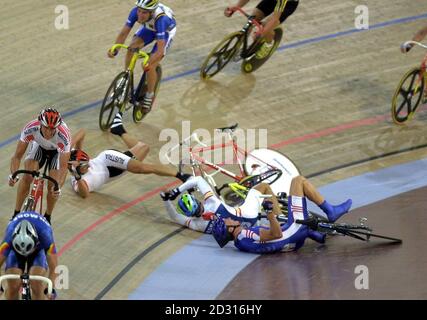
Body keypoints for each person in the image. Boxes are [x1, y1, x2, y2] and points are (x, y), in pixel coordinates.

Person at [210, 175, 352, 253]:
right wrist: (269, 212)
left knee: (269, 192)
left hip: (292, 241)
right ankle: (330, 211)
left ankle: (313, 234)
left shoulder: (240, 242)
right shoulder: (245, 235)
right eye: (226, 221)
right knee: (298, 181)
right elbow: (277, 234)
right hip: (292, 231)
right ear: (229, 229)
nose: (228, 218)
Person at [68, 113, 190, 198]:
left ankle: (181, 176)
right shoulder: (77, 180)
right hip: (111, 170)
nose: (88, 166)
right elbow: (84, 194)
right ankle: (119, 129)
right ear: (76, 170)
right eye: (85, 166)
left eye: (87, 163)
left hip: (107, 159)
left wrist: (70, 146)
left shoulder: (75, 157)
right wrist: (78, 176)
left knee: (142, 168)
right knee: (144, 148)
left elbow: (82, 132)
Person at [107, 0, 176, 115]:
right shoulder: (135, 12)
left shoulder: (161, 20)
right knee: (132, 47)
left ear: (151, 12)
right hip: (149, 28)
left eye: (144, 13)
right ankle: (126, 78)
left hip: (165, 32)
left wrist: (150, 62)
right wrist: (115, 49)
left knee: (150, 65)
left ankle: (149, 95)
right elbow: (124, 33)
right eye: (139, 11)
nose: (140, 15)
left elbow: (159, 51)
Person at [8, 107, 71, 223]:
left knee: (53, 186)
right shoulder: (30, 128)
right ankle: (16, 214)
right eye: (46, 128)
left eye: (53, 129)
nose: (49, 132)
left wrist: (58, 187)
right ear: (40, 124)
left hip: (57, 152)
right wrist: (13, 175)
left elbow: (63, 167)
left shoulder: (64, 136)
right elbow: (17, 156)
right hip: (39, 146)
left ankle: (48, 216)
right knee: (27, 177)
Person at [0, 212, 58, 300]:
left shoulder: (46, 235)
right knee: (13, 286)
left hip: (38, 250)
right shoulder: (8, 239)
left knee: (36, 284)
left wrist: (50, 288)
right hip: (15, 252)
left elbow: (54, 268)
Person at [224, 0, 299, 59]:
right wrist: (236, 7)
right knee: (251, 21)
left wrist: (263, 32)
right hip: (271, 1)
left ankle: (267, 45)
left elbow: (275, 19)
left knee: (266, 28)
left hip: (287, 5)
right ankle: (237, 47)